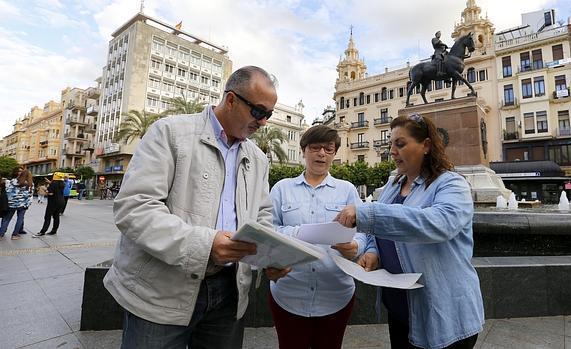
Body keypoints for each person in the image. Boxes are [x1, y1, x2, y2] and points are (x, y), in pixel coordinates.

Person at [103, 66, 277, 349]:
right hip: (162, 292)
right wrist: (207, 245)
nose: (264, 122)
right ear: (231, 100)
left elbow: (262, 215)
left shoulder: (258, 159)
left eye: (268, 114)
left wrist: (271, 256)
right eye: (258, 112)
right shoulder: (170, 133)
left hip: (231, 292)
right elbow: (135, 208)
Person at [335, 114, 484, 349]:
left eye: (400, 144)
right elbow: (376, 235)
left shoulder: (452, 184)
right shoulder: (393, 185)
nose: (392, 151)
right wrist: (373, 252)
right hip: (400, 309)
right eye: (391, 144)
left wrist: (367, 214)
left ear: (425, 145)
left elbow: (439, 223)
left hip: (443, 314)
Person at [266, 125, 375, 349]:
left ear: (334, 153)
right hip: (289, 293)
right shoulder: (281, 189)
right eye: (315, 147)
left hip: (336, 294)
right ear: (303, 150)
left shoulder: (346, 190)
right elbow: (267, 229)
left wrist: (356, 246)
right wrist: (299, 233)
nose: (322, 153)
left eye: (329, 148)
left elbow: (364, 230)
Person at [0, 167, 33, 240]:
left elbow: (8, 191)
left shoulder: (12, 181)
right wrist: (27, 204)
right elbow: (30, 195)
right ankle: (14, 235)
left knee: (6, 219)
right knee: (20, 219)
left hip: (12, 204)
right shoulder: (30, 184)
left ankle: (1, 235)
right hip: (23, 204)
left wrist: (11, 200)